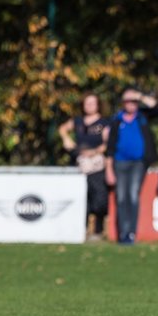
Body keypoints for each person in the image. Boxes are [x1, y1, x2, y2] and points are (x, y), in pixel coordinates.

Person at [105, 86, 158, 245]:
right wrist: (109, 168)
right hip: (119, 162)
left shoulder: (142, 117)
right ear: (123, 103)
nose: (131, 104)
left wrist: (140, 95)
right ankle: (122, 233)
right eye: (128, 101)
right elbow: (110, 146)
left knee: (133, 195)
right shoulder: (116, 120)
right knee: (121, 197)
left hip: (138, 163)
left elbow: (156, 108)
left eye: (134, 101)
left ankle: (131, 233)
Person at [58, 93, 110, 241]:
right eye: (87, 103)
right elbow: (62, 129)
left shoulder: (104, 123)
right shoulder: (78, 121)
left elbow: (107, 143)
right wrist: (66, 139)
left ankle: (98, 230)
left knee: (99, 199)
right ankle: (82, 230)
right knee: (82, 199)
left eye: (93, 103)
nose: (89, 106)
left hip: (97, 166)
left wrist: (94, 152)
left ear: (98, 105)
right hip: (79, 166)